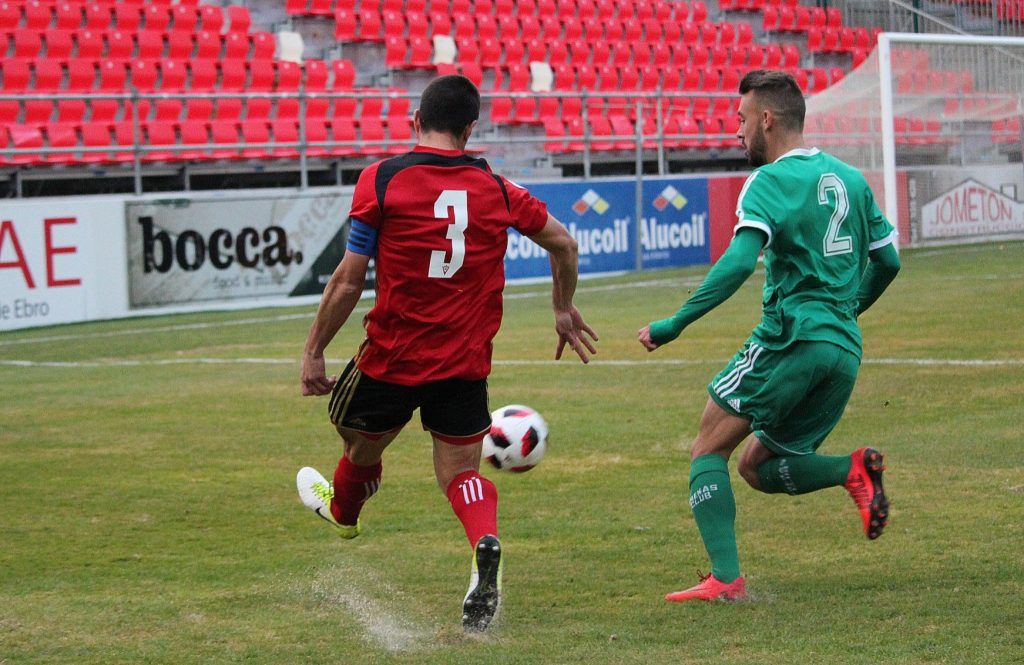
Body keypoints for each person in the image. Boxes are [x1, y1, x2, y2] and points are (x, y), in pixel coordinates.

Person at [295, 75, 598, 631]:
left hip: (392, 355)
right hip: (464, 362)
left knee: (356, 438)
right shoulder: (499, 188)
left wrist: (315, 349)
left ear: (415, 119)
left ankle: (344, 512)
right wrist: (562, 306)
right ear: (470, 129)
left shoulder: (381, 180)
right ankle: (484, 539)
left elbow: (347, 279)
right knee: (459, 469)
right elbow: (566, 243)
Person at [638, 69, 901, 602]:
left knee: (707, 448)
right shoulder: (850, 178)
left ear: (767, 119)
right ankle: (851, 470)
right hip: (843, 349)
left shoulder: (769, 181)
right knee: (756, 466)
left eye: (740, 120)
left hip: (791, 337)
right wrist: (847, 313)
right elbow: (889, 262)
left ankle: (727, 581)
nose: (735, 132)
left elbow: (738, 263)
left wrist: (674, 324)